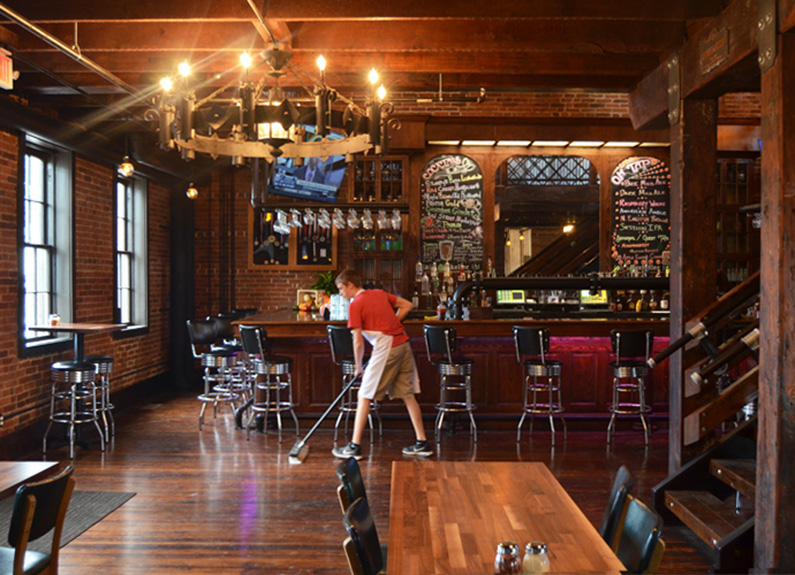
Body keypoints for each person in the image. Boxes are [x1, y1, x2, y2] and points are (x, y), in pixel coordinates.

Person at [331, 268, 432, 459]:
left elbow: (358, 341)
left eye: (341, 289)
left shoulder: (355, 305)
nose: (340, 293)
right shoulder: (379, 293)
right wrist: (392, 323)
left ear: (350, 285)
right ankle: (422, 443)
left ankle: (354, 447)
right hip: (403, 345)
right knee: (407, 395)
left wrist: (359, 366)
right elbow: (407, 305)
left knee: (364, 395)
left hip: (388, 348)